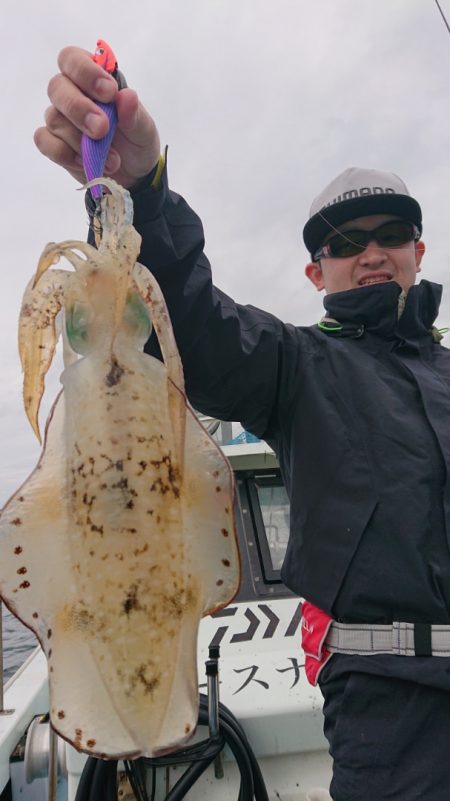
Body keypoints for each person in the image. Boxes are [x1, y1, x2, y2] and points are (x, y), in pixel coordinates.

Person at [35, 47, 450, 801]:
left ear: (418, 250)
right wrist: (142, 193)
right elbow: (192, 321)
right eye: (344, 243)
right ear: (314, 271)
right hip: (392, 717)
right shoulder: (294, 364)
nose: (371, 254)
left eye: (390, 233)